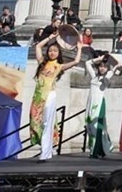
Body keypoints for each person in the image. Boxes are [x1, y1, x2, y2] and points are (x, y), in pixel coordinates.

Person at [30, 33, 82, 162]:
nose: (52, 53)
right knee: (36, 121)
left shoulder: (58, 66)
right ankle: (46, 149)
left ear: (58, 54)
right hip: (38, 95)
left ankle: (45, 151)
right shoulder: (42, 62)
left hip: (49, 95)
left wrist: (79, 48)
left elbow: (76, 61)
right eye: (51, 50)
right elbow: (37, 47)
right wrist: (50, 37)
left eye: (55, 51)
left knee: (47, 122)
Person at [85, 53, 121, 158]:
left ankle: (96, 151)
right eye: (101, 66)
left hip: (99, 104)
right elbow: (87, 63)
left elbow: (108, 77)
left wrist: (114, 68)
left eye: (104, 67)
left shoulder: (106, 78)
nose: (102, 68)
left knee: (97, 127)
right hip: (90, 103)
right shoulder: (93, 77)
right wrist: (99, 59)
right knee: (90, 127)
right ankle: (95, 149)